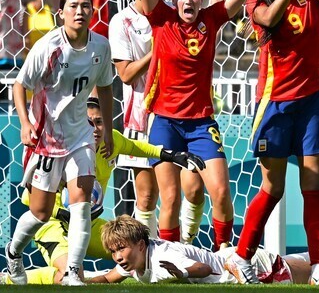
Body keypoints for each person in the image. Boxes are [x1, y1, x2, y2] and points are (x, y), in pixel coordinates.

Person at [117, 0, 288, 250]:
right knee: (170, 198)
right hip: (164, 122)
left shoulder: (211, 19)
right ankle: (169, 260)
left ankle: (225, 252)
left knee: (220, 192)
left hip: (200, 124)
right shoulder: (160, 18)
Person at [1, 97, 206, 285]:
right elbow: (31, 199)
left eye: (99, 122)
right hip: (52, 225)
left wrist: (171, 155)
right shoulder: (61, 148)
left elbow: (138, 147)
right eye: (88, 122)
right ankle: (10, 278)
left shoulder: (111, 141)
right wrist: (61, 212)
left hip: (86, 223)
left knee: (136, 247)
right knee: (69, 276)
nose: (95, 128)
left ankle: (185, 266)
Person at [225, 0, 319, 285]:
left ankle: (318, 265)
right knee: (273, 188)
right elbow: (270, 18)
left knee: (312, 185)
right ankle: (242, 258)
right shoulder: (256, 1)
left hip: (310, 104)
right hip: (274, 104)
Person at [5, 0, 114, 286]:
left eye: (85, 6)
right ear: (61, 12)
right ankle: (14, 252)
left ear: (93, 12)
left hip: (80, 135)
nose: (80, 11)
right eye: (73, 6)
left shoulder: (101, 47)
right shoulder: (48, 46)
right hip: (48, 138)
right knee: (40, 212)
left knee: (81, 202)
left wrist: (108, 131)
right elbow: (19, 84)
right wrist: (25, 123)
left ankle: (72, 274)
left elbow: (105, 87)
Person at [87, 215, 319, 285]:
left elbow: (199, 270)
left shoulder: (163, 257)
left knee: (314, 279)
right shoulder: (135, 262)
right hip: (238, 266)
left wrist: (179, 275)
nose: (117, 256)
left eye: (121, 249)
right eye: (113, 251)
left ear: (141, 245)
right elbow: (109, 277)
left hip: (243, 266)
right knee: (313, 267)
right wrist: (75, 279)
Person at [107, 0, 163, 238]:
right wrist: (156, 53)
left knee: (183, 190)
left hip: (175, 113)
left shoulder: (168, 15)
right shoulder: (121, 21)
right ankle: (147, 261)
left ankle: (179, 252)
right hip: (141, 116)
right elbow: (126, 74)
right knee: (147, 195)